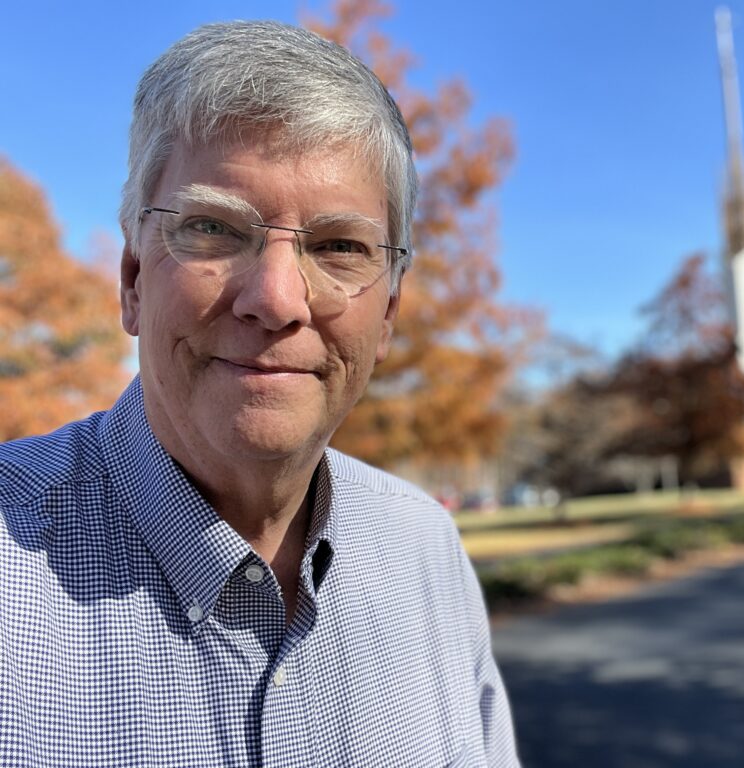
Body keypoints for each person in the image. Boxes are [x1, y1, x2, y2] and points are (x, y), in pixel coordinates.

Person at [0, 20, 518, 767]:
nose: (277, 300)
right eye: (213, 228)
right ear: (133, 281)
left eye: (340, 245)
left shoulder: (425, 551)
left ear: (390, 313)